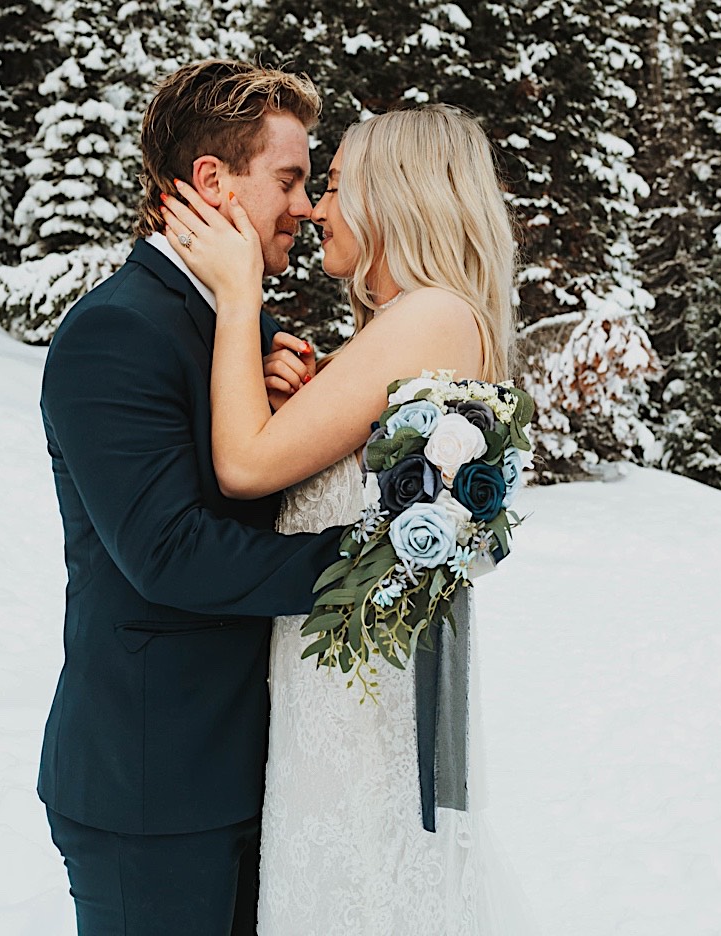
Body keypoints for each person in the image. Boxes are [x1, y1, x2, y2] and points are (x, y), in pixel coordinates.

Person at [163, 104, 535, 934]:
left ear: (395, 197)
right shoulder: (416, 322)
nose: (315, 209)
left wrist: (236, 295)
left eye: (332, 187)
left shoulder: (431, 316)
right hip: (336, 682)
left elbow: (245, 464)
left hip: (358, 699)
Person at [36, 60, 347, 936]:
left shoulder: (244, 327)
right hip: (151, 786)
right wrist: (368, 566)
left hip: (252, 767)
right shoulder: (115, 332)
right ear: (212, 181)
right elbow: (168, 552)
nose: (305, 205)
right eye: (288, 178)